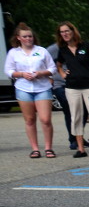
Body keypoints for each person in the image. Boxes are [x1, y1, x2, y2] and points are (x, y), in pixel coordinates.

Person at [55, 21, 89, 159]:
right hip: (72, 88)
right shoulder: (62, 49)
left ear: (73, 31)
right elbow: (58, 64)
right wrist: (62, 74)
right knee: (76, 117)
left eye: (67, 31)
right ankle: (81, 149)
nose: (65, 34)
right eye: (62, 32)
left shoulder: (86, 46)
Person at [5, 23, 56, 158]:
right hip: (23, 88)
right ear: (18, 38)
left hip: (42, 88)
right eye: (25, 36)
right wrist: (21, 74)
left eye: (30, 36)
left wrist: (40, 73)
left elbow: (52, 68)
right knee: (29, 119)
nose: (28, 39)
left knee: (45, 119)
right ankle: (35, 148)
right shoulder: (13, 53)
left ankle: (48, 148)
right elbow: (8, 71)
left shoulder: (41, 51)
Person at [47, 41, 84, 151]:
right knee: (69, 110)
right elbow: (45, 63)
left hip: (76, 83)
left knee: (81, 112)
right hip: (59, 84)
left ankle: (79, 137)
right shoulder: (52, 49)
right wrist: (51, 77)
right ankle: (73, 139)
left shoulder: (77, 47)